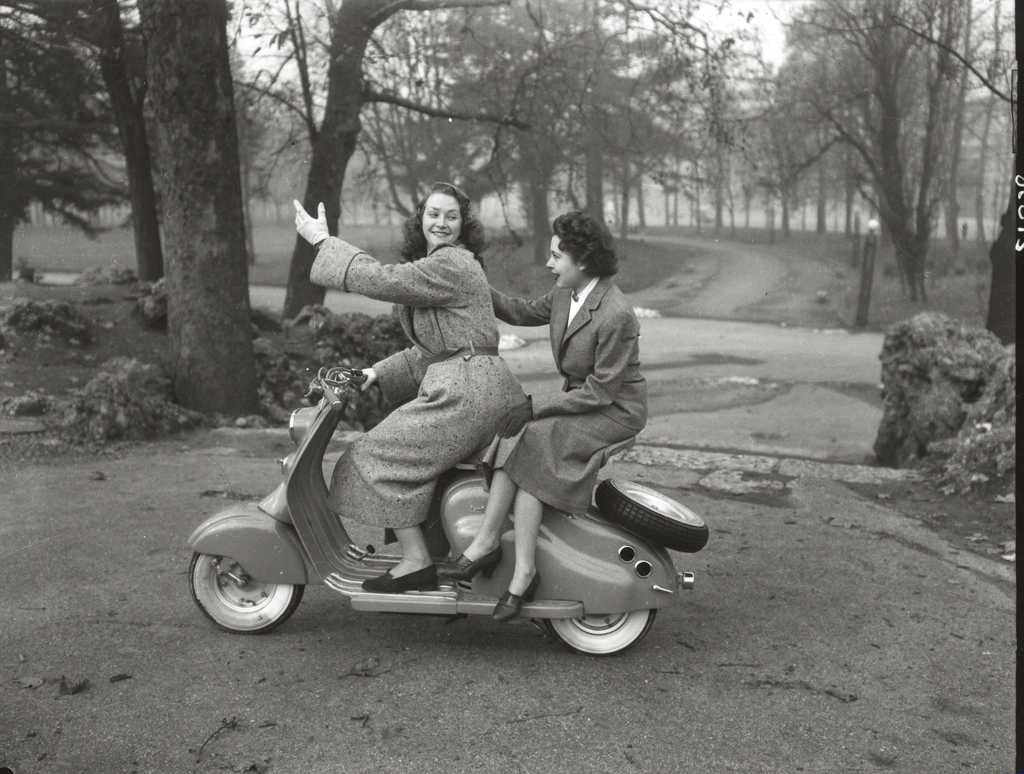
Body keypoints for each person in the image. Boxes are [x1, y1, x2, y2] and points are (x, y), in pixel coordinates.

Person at [293, 182, 524, 594]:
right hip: (477, 386)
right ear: (421, 218)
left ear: (462, 225)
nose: (441, 223)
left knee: (369, 456)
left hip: (467, 392)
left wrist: (323, 243)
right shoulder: (446, 266)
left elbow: (382, 280)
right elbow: (435, 351)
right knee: (398, 457)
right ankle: (423, 553)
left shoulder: (450, 263)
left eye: (451, 216)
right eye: (434, 214)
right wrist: (374, 373)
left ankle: (416, 561)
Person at [443, 211, 648, 621]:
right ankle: (488, 546)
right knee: (514, 431)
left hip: (615, 410)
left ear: (583, 262)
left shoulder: (615, 313)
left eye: (557, 257)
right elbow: (518, 311)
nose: (550, 264)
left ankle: (521, 571)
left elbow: (601, 391)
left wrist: (535, 405)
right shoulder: (564, 295)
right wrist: (472, 280)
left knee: (534, 437)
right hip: (583, 401)